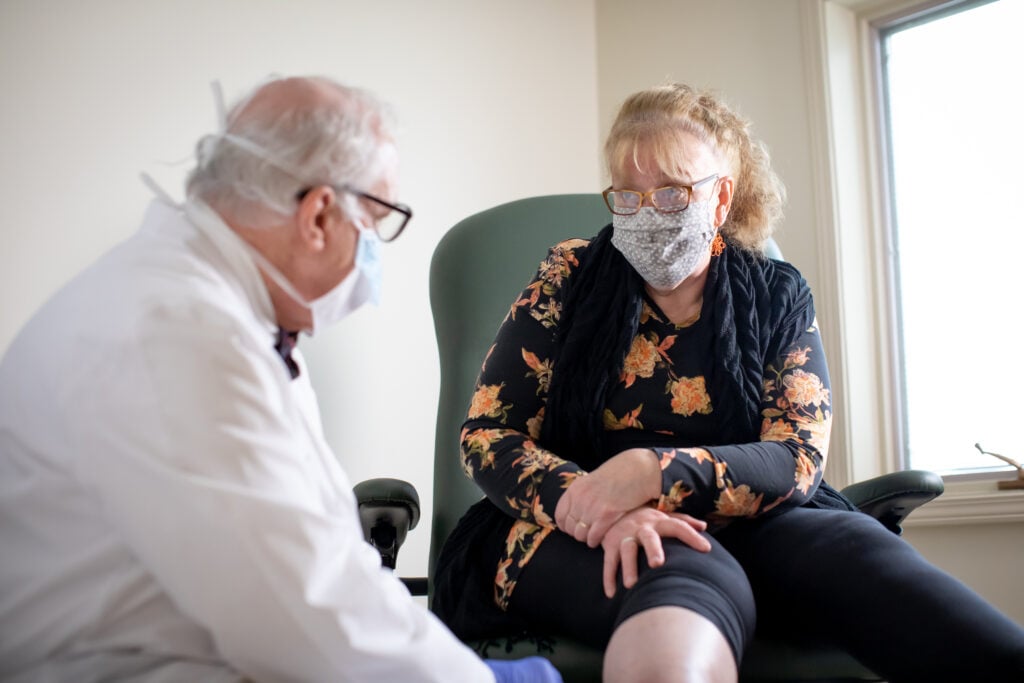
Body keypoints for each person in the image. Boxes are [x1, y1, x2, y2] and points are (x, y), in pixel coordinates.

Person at [432, 82, 1024, 683]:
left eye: (673, 190)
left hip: (757, 522)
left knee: (857, 552)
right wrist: (597, 505)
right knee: (681, 566)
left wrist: (654, 471)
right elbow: (489, 433)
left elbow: (796, 458)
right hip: (568, 523)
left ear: (721, 199)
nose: (648, 211)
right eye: (628, 196)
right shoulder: (568, 275)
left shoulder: (776, 293)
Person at [0, 76, 561, 683]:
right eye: (377, 220)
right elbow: (316, 626)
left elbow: (315, 559)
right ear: (319, 213)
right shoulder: (184, 338)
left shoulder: (212, 312)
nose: (373, 251)